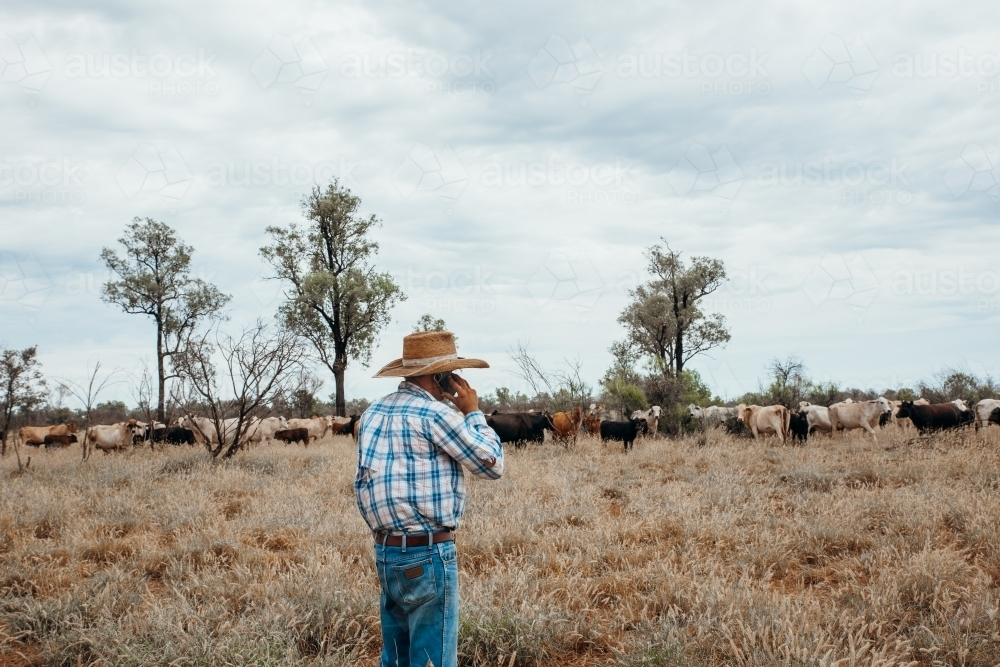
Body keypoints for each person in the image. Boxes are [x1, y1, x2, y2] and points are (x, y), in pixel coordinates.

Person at [355, 330, 504, 667]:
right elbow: (491, 466)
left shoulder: (372, 414)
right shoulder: (435, 414)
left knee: (395, 657)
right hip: (427, 550)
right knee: (432, 659)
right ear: (440, 376)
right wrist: (472, 412)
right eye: (450, 373)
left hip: (386, 550)